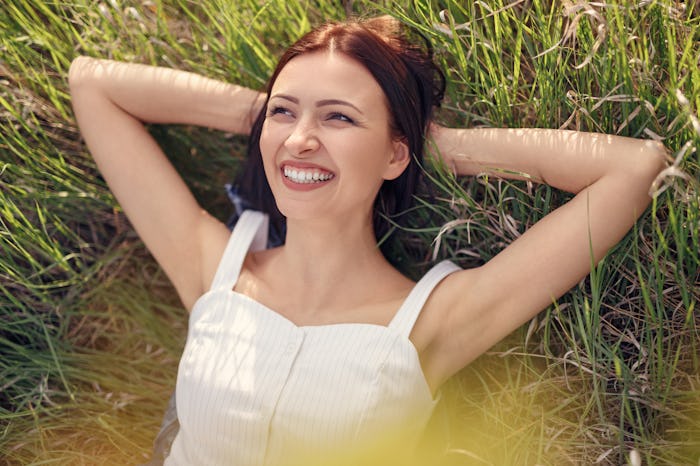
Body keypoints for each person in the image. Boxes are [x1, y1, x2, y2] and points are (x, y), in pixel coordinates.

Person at [68, 14, 666, 466]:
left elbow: (635, 169)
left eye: (338, 117)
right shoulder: (215, 271)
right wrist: (264, 118)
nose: (301, 139)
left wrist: (439, 150)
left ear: (393, 152)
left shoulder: (431, 321)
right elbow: (93, 84)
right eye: (287, 113)